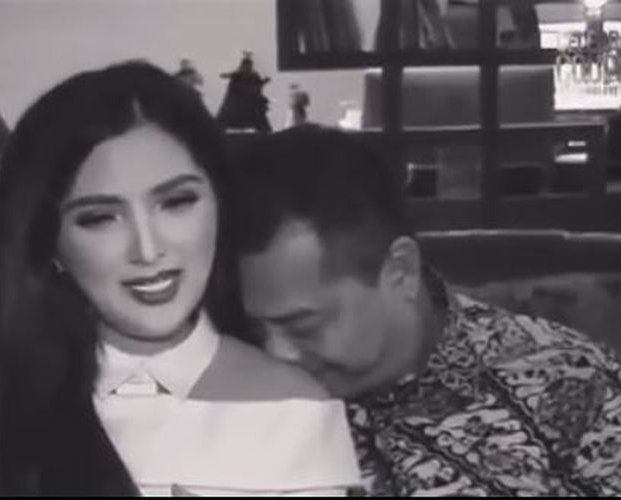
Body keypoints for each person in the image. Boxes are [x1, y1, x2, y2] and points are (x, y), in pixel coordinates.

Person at [0, 64, 361, 496]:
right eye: (100, 218)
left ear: (219, 204)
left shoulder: (295, 410)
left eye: (177, 202)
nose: (147, 251)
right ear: (50, 240)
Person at [230, 124, 621, 496]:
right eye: (258, 327)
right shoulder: (235, 404)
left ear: (400, 271)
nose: (276, 354)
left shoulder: (568, 378)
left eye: (302, 326)